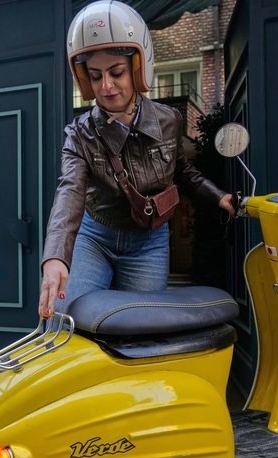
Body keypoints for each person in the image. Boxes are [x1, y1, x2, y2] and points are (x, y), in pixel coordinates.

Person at [38, 0, 234, 319]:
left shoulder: (169, 120)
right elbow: (69, 191)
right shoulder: (79, 133)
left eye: (116, 72)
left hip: (149, 242)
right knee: (64, 320)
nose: (107, 86)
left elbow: (182, 172)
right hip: (94, 236)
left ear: (137, 68)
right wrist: (55, 257)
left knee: (141, 331)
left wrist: (220, 197)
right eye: (96, 75)